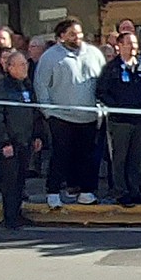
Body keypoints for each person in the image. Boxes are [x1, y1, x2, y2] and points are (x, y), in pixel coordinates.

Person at [35, 18, 107, 208]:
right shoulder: (50, 57)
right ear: (61, 37)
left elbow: (102, 82)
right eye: (72, 34)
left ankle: (86, 191)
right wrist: (47, 111)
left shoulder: (94, 53)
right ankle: (53, 192)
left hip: (89, 116)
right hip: (61, 116)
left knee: (87, 156)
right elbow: (41, 85)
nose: (77, 37)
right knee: (60, 155)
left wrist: (100, 108)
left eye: (79, 33)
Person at [96, 32, 141, 207]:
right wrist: (117, 106)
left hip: (138, 121)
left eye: (135, 44)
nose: (133, 47)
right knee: (120, 158)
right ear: (119, 46)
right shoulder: (111, 68)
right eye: (129, 43)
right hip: (119, 121)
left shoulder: (140, 67)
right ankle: (121, 191)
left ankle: (135, 191)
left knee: (136, 159)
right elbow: (101, 92)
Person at [0, 52, 45, 229]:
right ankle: (9, 217)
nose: (25, 68)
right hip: (10, 142)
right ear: (10, 67)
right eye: (20, 65)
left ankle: (18, 213)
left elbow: (34, 113)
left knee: (21, 180)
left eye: (25, 65)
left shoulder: (27, 85)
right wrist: (5, 141)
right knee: (9, 182)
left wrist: (37, 135)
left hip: (26, 140)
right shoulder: (1, 87)